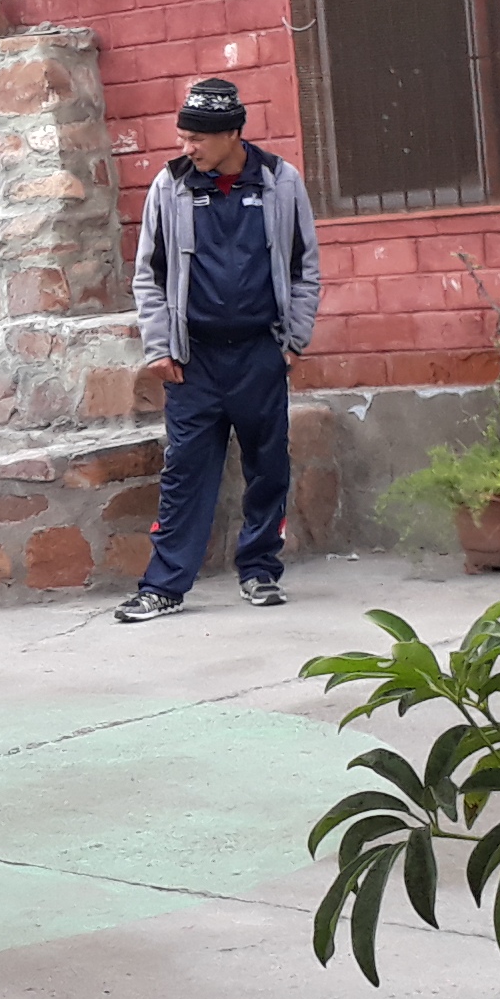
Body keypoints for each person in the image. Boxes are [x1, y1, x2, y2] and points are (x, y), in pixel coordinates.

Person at [118, 77, 323, 622]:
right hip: (194, 361)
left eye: (197, 139)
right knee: (185, 472)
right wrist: (159, 347)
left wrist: (293, 341)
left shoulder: (281, 181)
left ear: (232, 134)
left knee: (268, 467)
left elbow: (304, 267)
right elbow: (149, 275)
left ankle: (259, 571)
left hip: (260, 352)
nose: (186, 148)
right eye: (183, 137)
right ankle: (163, 586)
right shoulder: (170, 185)